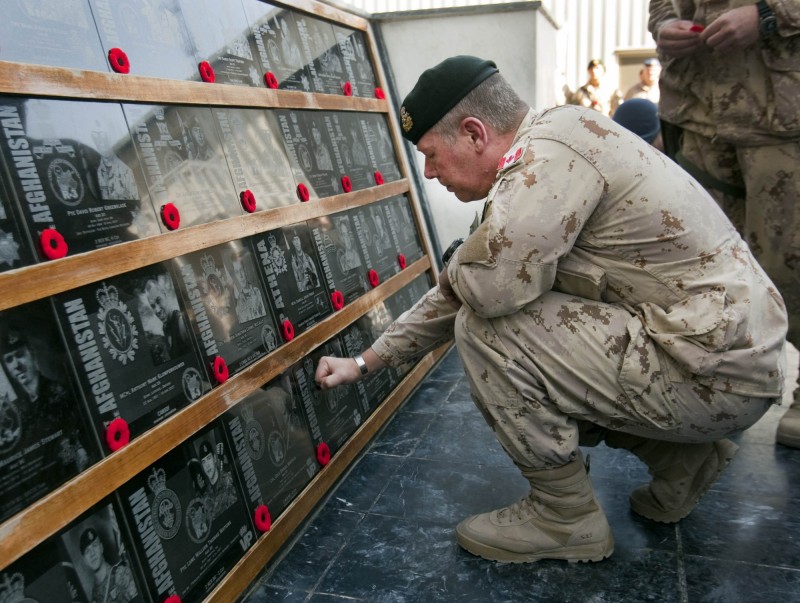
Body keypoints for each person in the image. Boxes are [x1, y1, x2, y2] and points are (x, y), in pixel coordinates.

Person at [314, 55, 788, 564]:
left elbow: (483, 291)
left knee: (488, 331)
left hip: (713, 374)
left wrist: (460, 261)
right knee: (535, 325)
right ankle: (681, 461)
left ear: (475, 134)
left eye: (432, 155)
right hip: (731, 362)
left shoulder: (546, 162)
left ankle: (564, 517)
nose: (429, 174)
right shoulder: (555, 140)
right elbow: (469, 280)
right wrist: (366, 361)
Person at [649, 0, 800, 448]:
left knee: (790, 259)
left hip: (782, 114)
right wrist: (665, 26)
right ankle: (714, 393)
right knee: (700, 268)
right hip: (697, 112)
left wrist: (770, 15)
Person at [79, 527, 140, 603]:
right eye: (87, 551)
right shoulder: (94, 598)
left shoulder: (122, 575)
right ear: (85, 560)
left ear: (101, 548)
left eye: (95, 545)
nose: (92, 554)